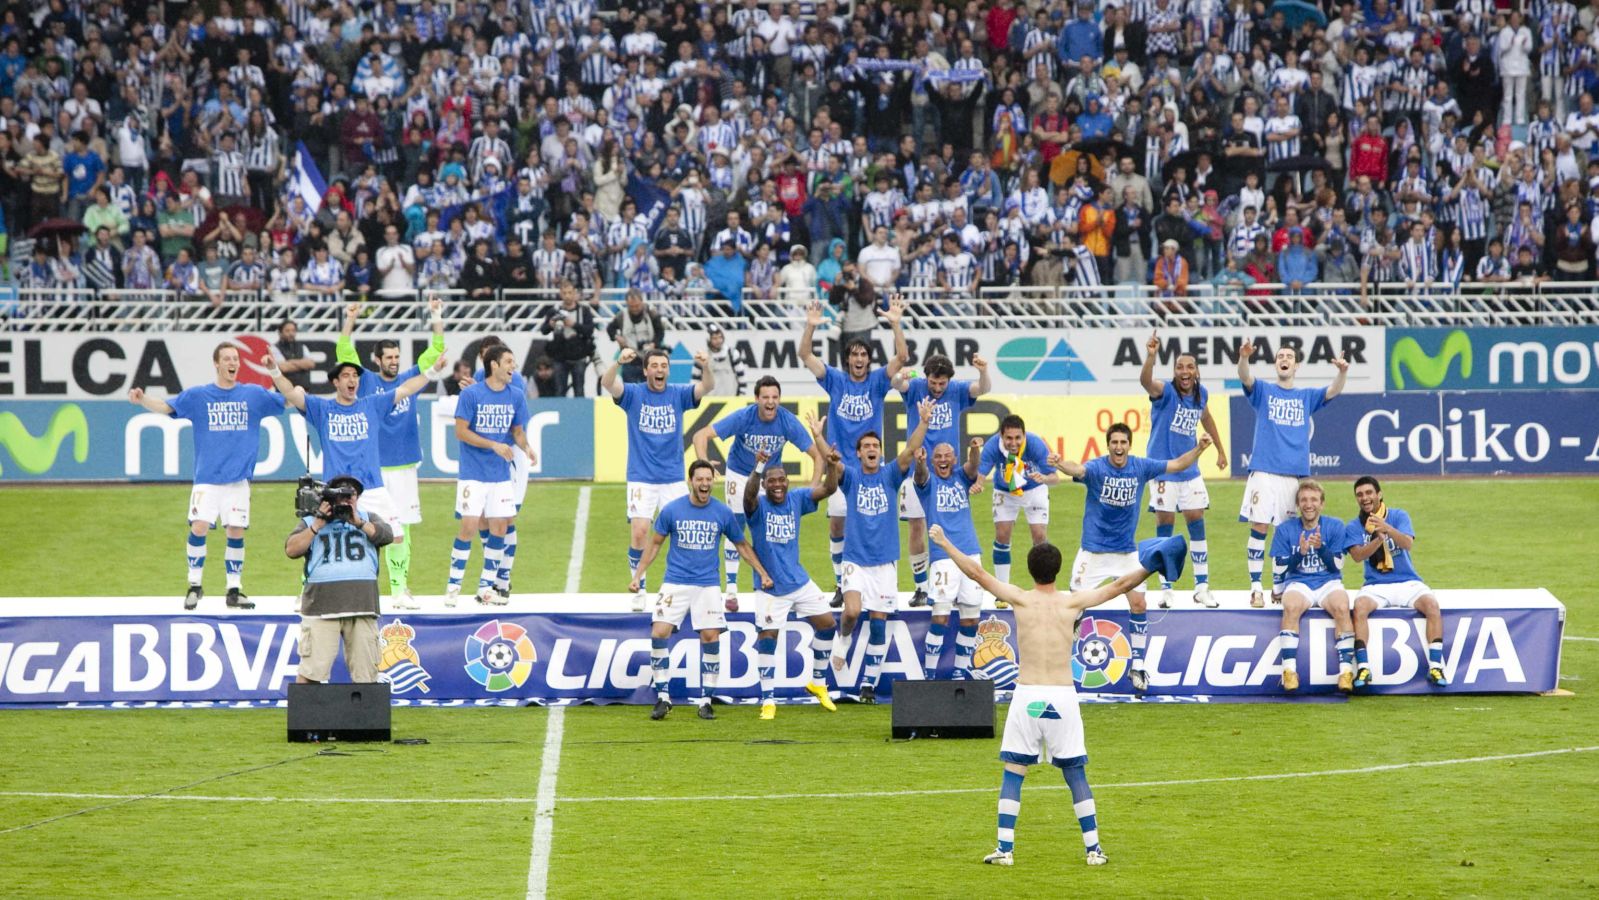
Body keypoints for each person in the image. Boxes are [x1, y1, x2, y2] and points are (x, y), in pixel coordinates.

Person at [930, 524, 1186, 868]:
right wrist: (1153, 564)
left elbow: (976, 572)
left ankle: (1005, 848)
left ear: (1031, 570)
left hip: (1027, 695)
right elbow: (1122, 585)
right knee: (1075, 774)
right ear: (1058, 570)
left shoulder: (1019, 597)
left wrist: (945, 541)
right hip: (1063, 696)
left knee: (1013, 772)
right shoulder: (1073, 602)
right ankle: (1093, 849)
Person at [1051, 424, 1213, 692]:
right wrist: (1060, 464)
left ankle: (1137, 666)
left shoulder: (1141, 467)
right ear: (1108, 445)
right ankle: (1058, 670)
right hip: (1094, 551)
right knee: (1074, 606)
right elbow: (1077, 469)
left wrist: (1200, 448)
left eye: (1123, 442)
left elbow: (1176, 465)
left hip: (1126, 551)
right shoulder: (1097, 468)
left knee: (1139, 603)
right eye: (1114, 442)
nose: (1118, 447)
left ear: (1129, 445)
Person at [263, 347, 438, 591]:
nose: (352, 380)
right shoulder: (323, 409)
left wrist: (431, 371)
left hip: (372, 487)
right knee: (321, 535)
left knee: (396, 536)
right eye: (345, 376)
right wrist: (273, 369)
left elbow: (407, 389)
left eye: (355, 376)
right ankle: (306, 587)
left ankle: (398, 591)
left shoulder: (372, 405)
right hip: (337, 490)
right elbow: (292, 394)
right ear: (336, 382)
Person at [127, 343, 286, 610]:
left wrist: (275, 371)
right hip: (207, 479)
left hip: (237, 480)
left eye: (235, 358)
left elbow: (286, 398)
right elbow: (166, 407)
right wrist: (143, 398)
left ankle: (234, 589)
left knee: (235, 531)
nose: (232, 362)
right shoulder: (200, 396)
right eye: (227, 358)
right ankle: (194, 585)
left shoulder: (253, 395)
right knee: (198, 526)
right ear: (216, 363)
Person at [633, 460, 774, 721]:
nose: (705, 484)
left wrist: (763, 573)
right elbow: (654, 544)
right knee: (658, 632)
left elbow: (741, 545)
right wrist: (639, 575)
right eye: (700, 479)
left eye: (708, 479)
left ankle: (706, 700)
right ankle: (663, 698)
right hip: (675, 581)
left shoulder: (722, 512)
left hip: (708, 584)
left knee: (711, 637)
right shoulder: (672, 510)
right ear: (691, 481)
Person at [334, 297, 446, 608]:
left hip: (405, 465)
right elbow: (344, 352)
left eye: (397, 356)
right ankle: (356, 585)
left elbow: (436, 351)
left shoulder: (411, 378)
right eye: (389, 357)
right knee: (361, 525)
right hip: (373, 470)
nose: (394, 361)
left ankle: (399, 590)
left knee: (403, 527)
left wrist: (435, 314)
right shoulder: (366, 381)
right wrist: (350, 319)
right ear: (377, 359)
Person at [798, 297, 909, 603]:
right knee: (837, 525)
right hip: (840, 467)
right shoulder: (834, 380)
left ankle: (884, 585)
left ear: (868, 360)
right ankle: (840, 583)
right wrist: (810, 326)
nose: (859, 359)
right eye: (854, 355)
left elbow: (902, 356)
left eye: (863, 354)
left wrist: (896, 323)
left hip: (872, 469)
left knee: (876, 525)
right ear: (847, 360)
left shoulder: (877, 381)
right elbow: (805, 354)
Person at [833, 397, 934, 703]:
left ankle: (868, 685)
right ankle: (843, 640)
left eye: (875, 446)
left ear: (879, 451)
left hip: (885, 563)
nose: (872, 450)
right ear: (859, 453)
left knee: (879, 624)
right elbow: (832, 463)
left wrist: (924, 422)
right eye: (866, 447)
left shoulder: (891, 474)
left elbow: (909, 450)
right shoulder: (851, 477)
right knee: (851, 611)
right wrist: (818, 439)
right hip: (856, 560)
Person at [691, 375, 823, 606]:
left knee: (770, 531)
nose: (770, 402)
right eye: (765, 397)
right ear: (756, 399)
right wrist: (704, 464)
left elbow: (817, 455)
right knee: (736, 525)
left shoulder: (787, 421)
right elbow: (700, 435)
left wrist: (813, 485)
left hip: (770, 481)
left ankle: (773, 583)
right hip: (740, 475)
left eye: (775, 397)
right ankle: (731, 589)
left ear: (779, 399)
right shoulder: (744, 417)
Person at [1236, 342, 1349, 607]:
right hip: (1263, 470)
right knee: (1259, 527)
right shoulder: (1264, 391)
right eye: (1280, 356)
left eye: (1289, 357)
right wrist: (1243, 358)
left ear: (1296, 366)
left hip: (1292, 477)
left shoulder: (1306, 396)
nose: (1284, 359)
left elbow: (1332, 391)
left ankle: (1278, 588)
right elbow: (1245, 376)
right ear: (1276, 364)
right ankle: (1255, 588)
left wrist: (1342, 372)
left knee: (1285, 533)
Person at [742, 424, 843, 719]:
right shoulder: (757, 506)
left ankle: (818, 683)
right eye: (771, 481)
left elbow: (828, 488)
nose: (777, 485)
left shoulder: (797, 499)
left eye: (781, 480)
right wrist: (759, 466)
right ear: (764, 484)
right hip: (771, 588)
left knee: (827, 625)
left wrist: (833, 467)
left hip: (798, 581)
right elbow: (748, 495)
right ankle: (768, 699)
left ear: (788, 481)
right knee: (768, 638)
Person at [604, 346, 715, 611]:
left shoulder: (678, 393)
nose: (659, 370)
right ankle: (638, 585)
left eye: (663, 366)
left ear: (668, 369)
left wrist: (705, 366)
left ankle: (682, 587)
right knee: (640, 531)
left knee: (682, 534)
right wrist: (617, 362)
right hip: (641, 476)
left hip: (673, 477)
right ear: (645, 371)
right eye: (654, 366)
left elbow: (707, 387)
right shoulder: (633, 394)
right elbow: (608, 383)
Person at [895, 352, 991, 605]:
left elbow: (982, 388)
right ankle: (920, 587)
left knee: (950, 524)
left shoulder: (957, 390)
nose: (937, 389)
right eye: (933, 383)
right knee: (916, 526)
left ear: (949, 380)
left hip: (950, 473)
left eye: (942, 384)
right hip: (918, 468)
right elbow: (896, 383)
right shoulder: (916, 387)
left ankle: (953, 580)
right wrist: (900, 374)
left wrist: (983, 371)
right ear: (926, 378)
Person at [1140, 333, 1227, 609]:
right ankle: (1166, 588)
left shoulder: (1201, 394)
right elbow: (1145, 381)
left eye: (1190, 367)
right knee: (1165, 525)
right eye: (1180, 367)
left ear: (1197, 371)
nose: (1185, 371)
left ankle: (1202, 586)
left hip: (1189, 470)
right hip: (1163, 469)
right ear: (1174, 371)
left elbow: (1207, 417)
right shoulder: (1164, 392)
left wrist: (1220, 450)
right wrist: (1151, 356)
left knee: (1196, 521)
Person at [448, 343, 537, 605]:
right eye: (509, 361)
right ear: (493, 364)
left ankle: (497, 582)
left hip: (505, 463)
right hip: (479, 467)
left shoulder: (515, 389)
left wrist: (527, 447)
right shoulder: (475, 387)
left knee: (505, 521)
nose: (514, 366)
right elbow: (462, 429)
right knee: (475, 524)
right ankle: (457, 586)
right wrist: (494, 445)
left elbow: (517, 431)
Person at [284, 475, 395, 684]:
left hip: (362, 606)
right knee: (311, 672)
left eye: (350, 495)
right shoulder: (311, 522)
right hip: (321, 608)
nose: (345, 500)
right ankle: (307, 718)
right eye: (340, 495)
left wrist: (359, 523)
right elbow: (291, 549)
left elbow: (387, 536)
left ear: (358, 498)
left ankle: (365, 718)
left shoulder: (368, 518)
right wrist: (317, 524)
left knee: (367, 676)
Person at [1347, 477, 1448, 689]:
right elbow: (1357, 556)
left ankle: (1436, 665)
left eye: (1368, 493)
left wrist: (1386, 528)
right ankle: (1363, 667)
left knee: (1432, 605)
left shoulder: (1398, 515)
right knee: (1360, 607)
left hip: (1407, 581)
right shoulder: (1355, 526)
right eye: (1360, 495)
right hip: (1376, 584)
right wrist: (1377, 539)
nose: (1365, 498)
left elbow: (1407, 543)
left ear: (1379, 494)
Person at [1270, 480, 1360, 693]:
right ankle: (1289, 671)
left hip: (1328, 581)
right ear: (1298, 505)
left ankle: (1346, 672)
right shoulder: (1285, 530)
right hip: (1299, 582)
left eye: (1313, 500)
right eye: (1304, 500)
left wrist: (1321, 549)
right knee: (1290, 606)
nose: (1308, 504)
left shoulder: (1335, 526)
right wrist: (1299, 554)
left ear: (1322, 504)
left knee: (1341, 605)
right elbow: (1279, 567)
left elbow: (1337, 564)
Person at [913, 437, 986, 679]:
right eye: (938, 457)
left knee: (971, 617)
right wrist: (921, 463)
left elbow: (973, 467)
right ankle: (930, 674)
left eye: (947, 456)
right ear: (933, 461)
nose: (943, 460)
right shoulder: (927, 483)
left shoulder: (961, 477)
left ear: (954, 460)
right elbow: (921, 475)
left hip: (970, 553)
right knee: (940, 616)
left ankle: (960, 672)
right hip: (943, 556)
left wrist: (974, 449)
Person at [978, 415, 1065, 587]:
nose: (1013, 442)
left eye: (1018, 437)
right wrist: (978, 485)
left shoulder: (1035, 444)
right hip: (1005, 491)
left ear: (1024, 435)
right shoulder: (992, 446)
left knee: (1040, 537)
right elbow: (980, 474)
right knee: (1002, 535)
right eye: (1009, 438)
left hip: (1034, 489)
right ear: (1001, 436)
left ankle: (1043, 587)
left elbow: (1055, 478)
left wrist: (1044, 478)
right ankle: (1002, 589)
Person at [271, 320, 317, 393]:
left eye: (293, 330)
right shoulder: (274, 348)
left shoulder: (302, 347)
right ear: (280, 333)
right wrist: (302, 364)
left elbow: (311, 364)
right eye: (287, 331)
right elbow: (284, 368)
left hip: (303, 391)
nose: (291, 333)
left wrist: (291, 362)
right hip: (283, 392)